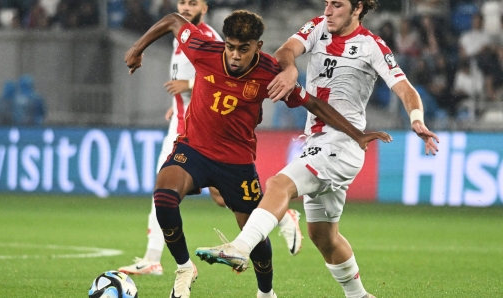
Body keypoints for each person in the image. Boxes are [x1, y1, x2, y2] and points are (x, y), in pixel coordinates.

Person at [125, 9, 391, 298]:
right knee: (163, 196)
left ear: (258, 47)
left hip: (236, 165)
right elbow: (173, 20)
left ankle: (266, 293)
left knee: (255, 235)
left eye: (243, 49)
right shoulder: (203, 50)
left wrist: (357, 133)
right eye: (230, 47)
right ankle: (184, 268)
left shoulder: (268, 73)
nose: (235, 55)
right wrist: (137, 49)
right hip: (194, 149)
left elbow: (313, 104)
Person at [195, 1, 439, 298]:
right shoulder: (317, 27)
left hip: (342, 142)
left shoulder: (371, 45)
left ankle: (240, 247)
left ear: (358, 8)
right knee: (323, 236)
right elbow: (286, 50)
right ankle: (360, 295)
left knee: (278, 184)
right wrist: (288, 70)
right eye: (326, 3)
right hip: (316, 141)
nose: (328, 11)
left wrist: (417, 120)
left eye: (337, 5)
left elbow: (405, 88)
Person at [118, 0, 305, 278]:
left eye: (192, 2)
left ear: (204, 7)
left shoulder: (208, 39)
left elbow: (221, 76)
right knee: (167, 192)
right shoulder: (182, 38)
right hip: (189, 132)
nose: (185, 7)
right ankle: (158, 259)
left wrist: (291, 71)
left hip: (219, 137)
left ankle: (275, 216)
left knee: (236, 210)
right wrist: (178, 102)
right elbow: (205, 75)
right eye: (181, 1)